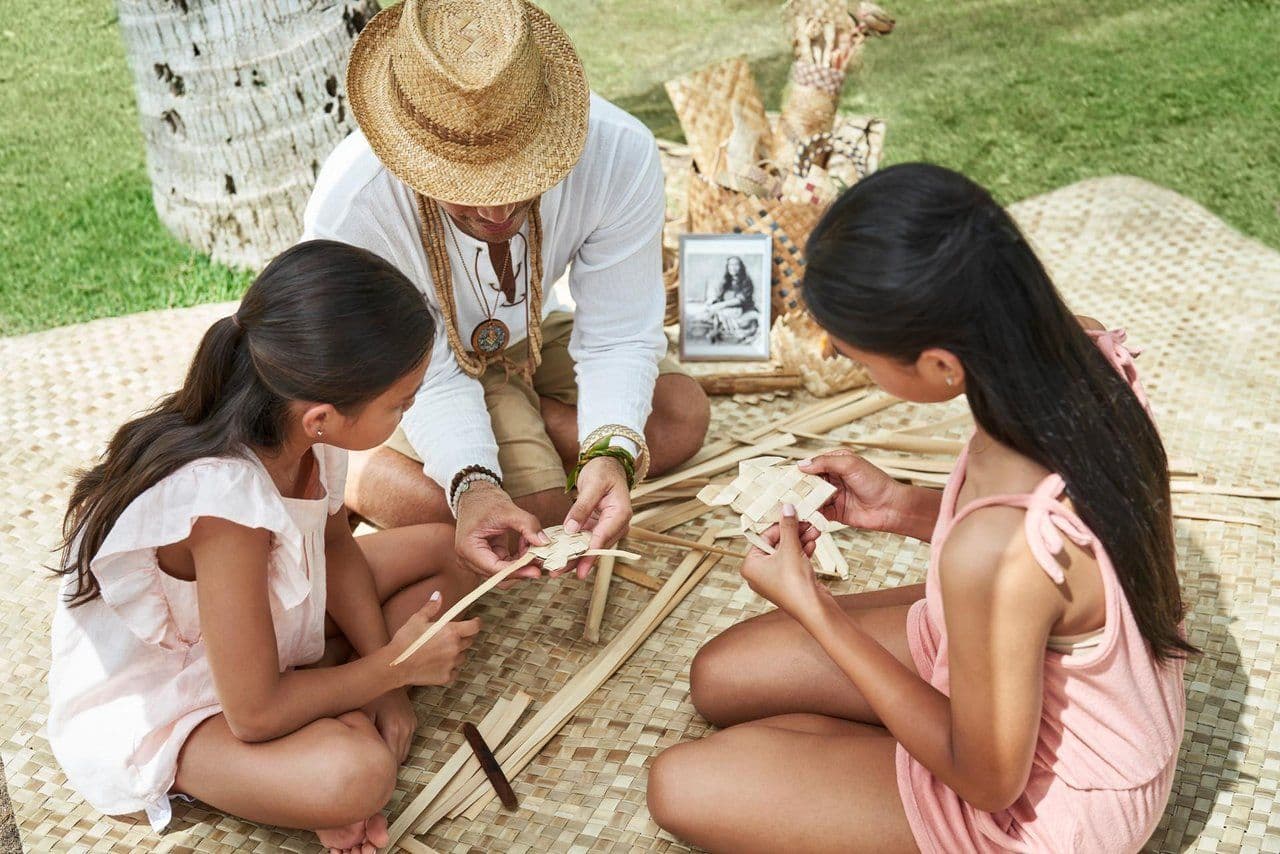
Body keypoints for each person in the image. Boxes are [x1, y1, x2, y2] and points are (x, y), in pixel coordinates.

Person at [647, 164, 1190, 853]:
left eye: (857, 355)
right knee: (719, 676)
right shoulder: (1074, 355)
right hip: (1037, 668)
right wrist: (900, 508)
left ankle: (875, 760)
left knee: (679, 784)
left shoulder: (994, 553)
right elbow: (1061, 559)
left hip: (1043, 805)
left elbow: (989, 781)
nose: (848, 364)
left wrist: (812, 605)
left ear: (939, 366)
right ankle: (865, 753)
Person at [48, 241, 481, 854]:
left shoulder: (304, 429)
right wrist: (392, 667)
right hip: (183, 697)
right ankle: (297, 737)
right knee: (358, 775)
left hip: (260, 638)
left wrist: (384, 685)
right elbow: (251, 713)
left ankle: (321, 704)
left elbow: (337, 548)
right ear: (323, 415)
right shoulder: (225, 505)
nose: (405, 414)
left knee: (447, 555)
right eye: (400, 405)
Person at [303, 0, 710, 583]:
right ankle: (358, 464)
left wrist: (610, 451)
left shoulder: (619, 150)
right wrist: (474, 482)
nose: (496, 209)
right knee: (535, 517)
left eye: (518, 174)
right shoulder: (355, 204)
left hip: (530, 335)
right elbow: (435, 375)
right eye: (463, 184)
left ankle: (523, 425)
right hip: (415, 367)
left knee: (679, 420)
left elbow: (620, 330)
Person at [700, 255, 760, 343]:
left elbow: (740, 300)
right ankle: (716, 332)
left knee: (720, 313)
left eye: (736, 265)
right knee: (709, 312)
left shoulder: (746, 281)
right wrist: (713, 302)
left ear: (741, 267)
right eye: (730, 265)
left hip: (743, 311)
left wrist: (720, 305)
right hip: (728, 310)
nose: (733, 268)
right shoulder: (726, 281)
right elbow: (720, 297)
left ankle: (729, 333)